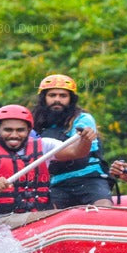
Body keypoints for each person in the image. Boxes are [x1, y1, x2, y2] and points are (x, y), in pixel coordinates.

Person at [0, 104, 96, 220]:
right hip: (0, 220)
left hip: (39, 216)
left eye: (20, 130)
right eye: (8, 130)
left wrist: (86, 140)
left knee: (61, 216)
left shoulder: (44, 146)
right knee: (63, 216)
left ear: (29, 131)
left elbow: (77, 152)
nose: (14, 135)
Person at [33, 73, 113, 207]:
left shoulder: (82, 119)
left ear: (71, 99)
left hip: (89, 178)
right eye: (52, 95)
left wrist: (85, 139)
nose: (57, 100)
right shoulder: (36, 124)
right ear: (44, 98)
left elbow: (79, 152)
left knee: (103, 206)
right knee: (46, 215)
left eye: (63, 96)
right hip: (58, 182)